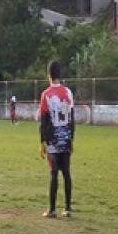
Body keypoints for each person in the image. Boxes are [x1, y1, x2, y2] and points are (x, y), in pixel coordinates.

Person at [38, 61, 75, 219]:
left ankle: (52, 210)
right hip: (66, 138)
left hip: (52, 139)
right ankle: (67, 209)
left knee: (54, 173)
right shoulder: (68, 92)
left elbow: (44, 120)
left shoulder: (46, 94)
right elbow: (72, 117)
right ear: (60, 74)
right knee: (66, 172)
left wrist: (42, 142)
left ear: (49, 75)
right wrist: (71, 138)